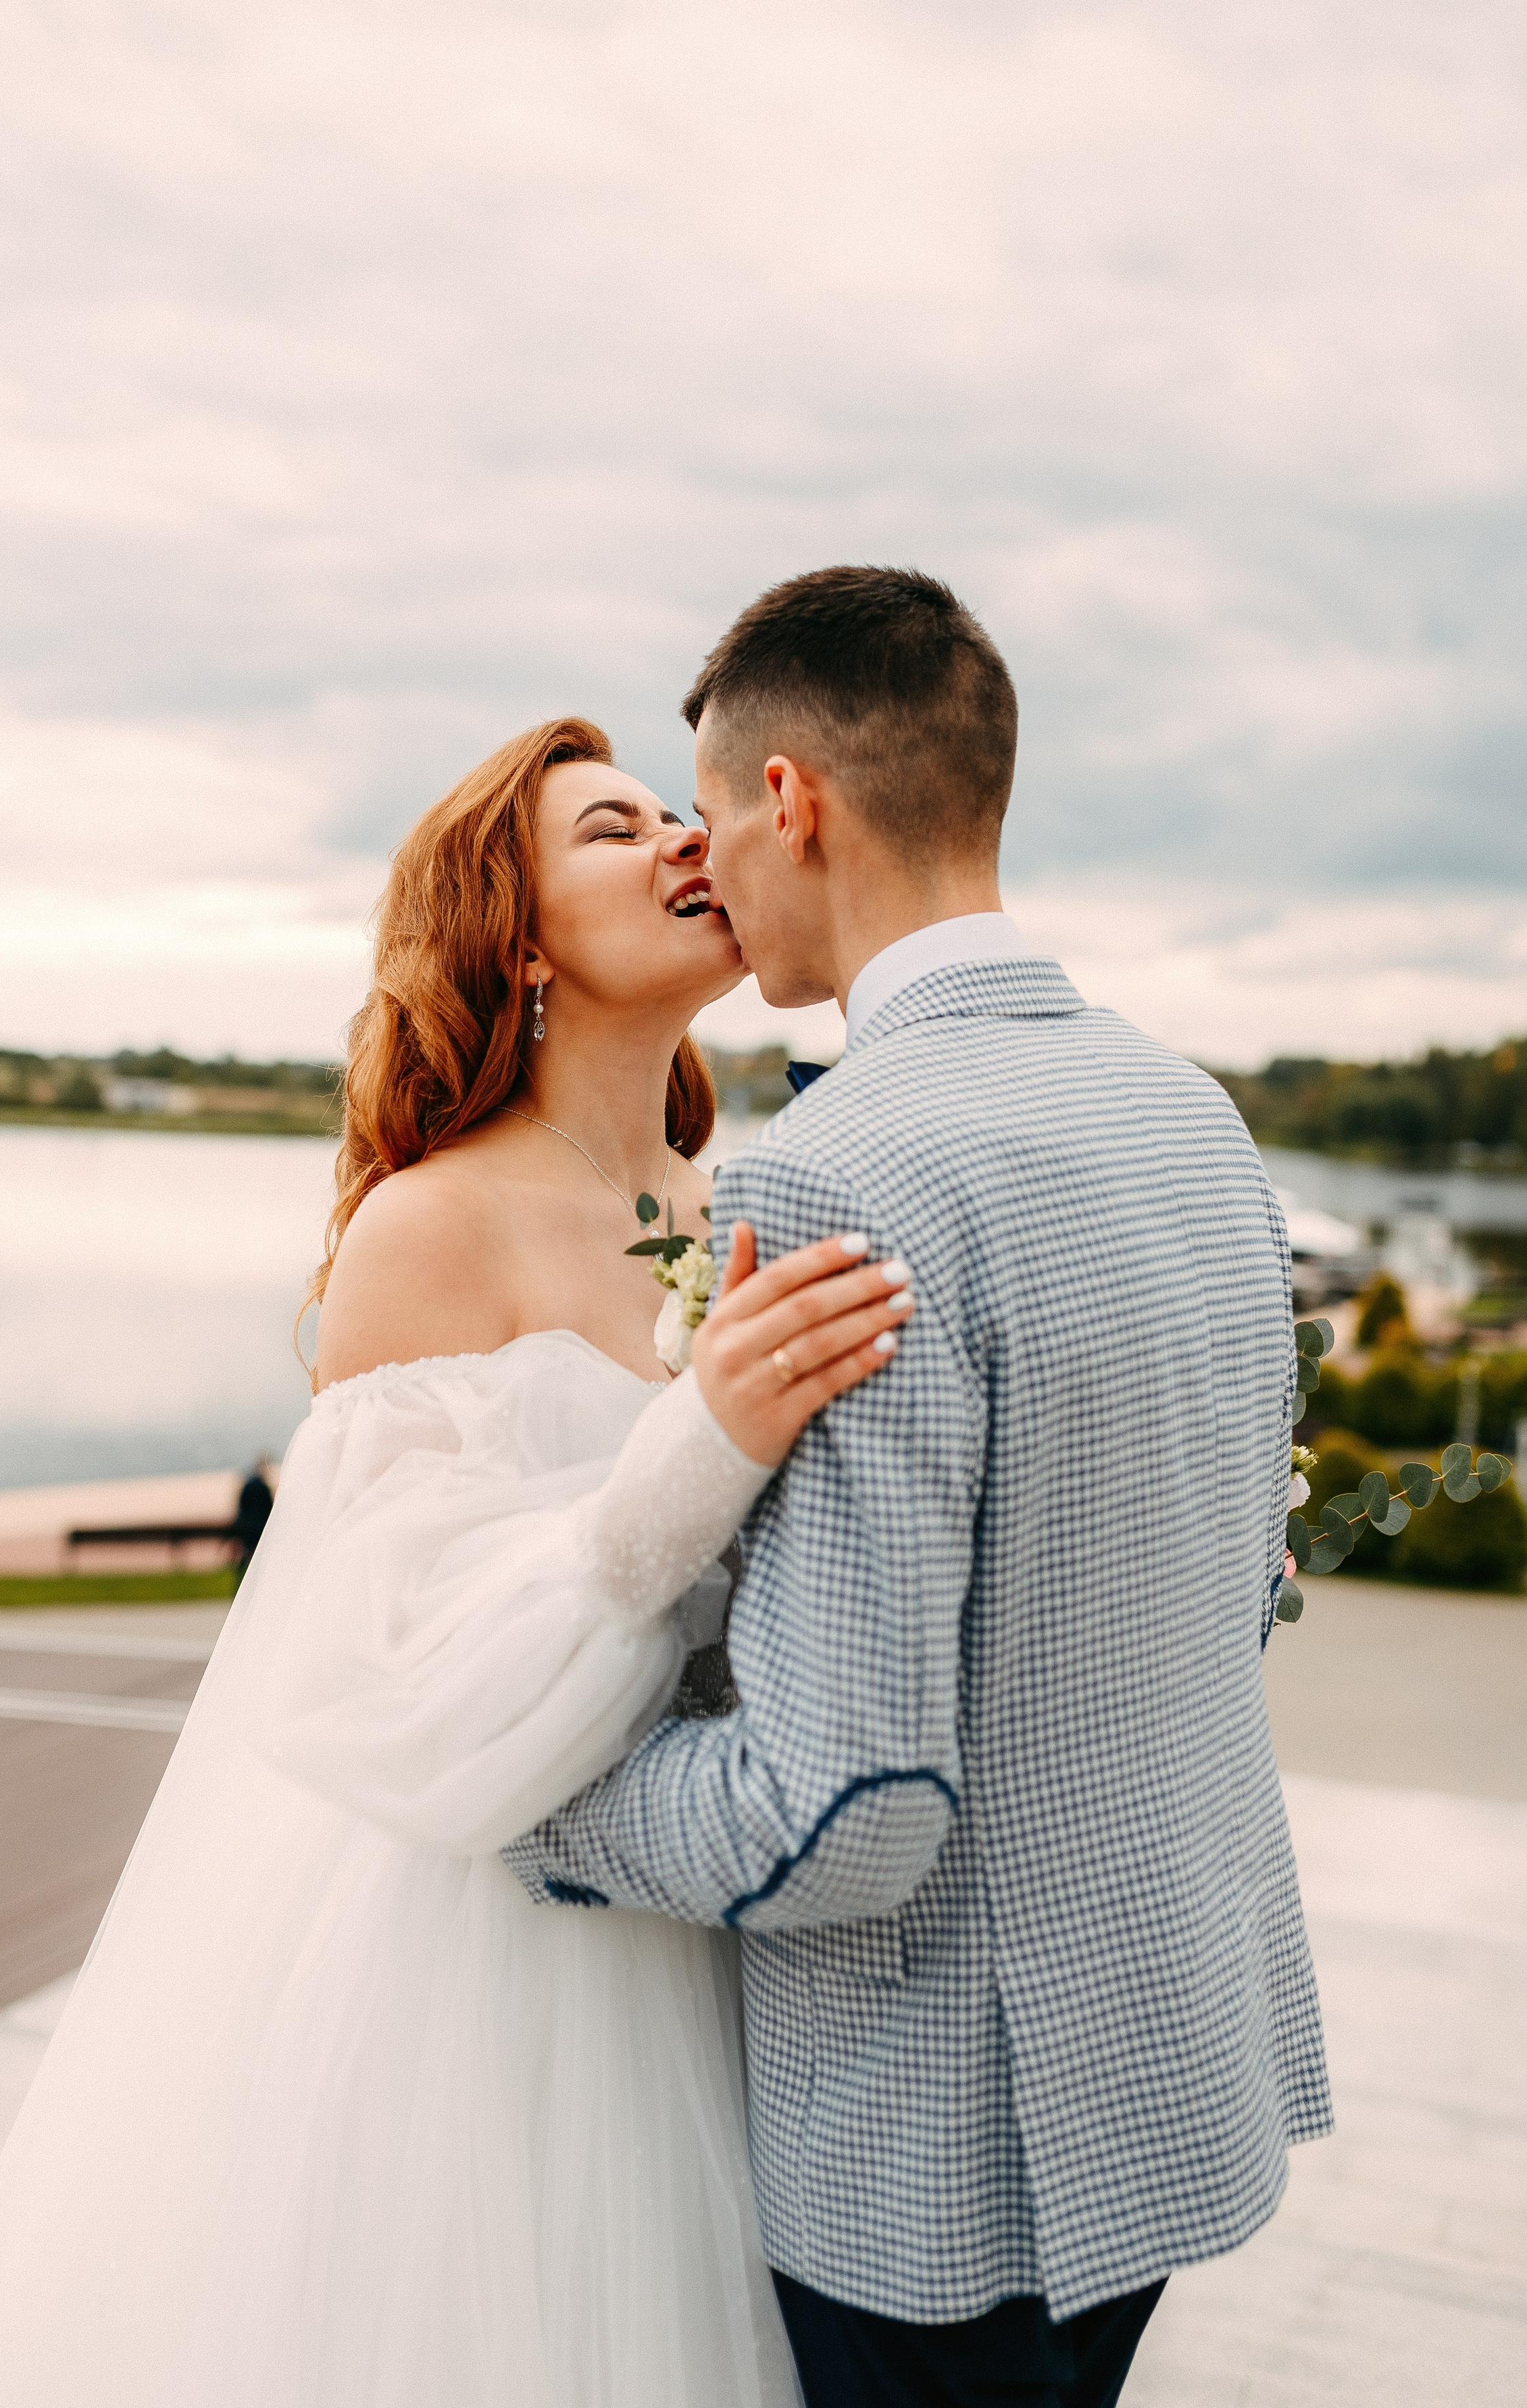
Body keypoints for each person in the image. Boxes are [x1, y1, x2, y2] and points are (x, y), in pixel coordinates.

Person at [0, 714, 911, 2408]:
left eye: (679, 814)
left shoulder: (751, 1201)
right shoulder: (429, 1225)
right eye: (610, 830)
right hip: (473, 1948)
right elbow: (387, 1658)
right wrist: (703, 1435)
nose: (681, 845)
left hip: (704, 1908)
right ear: (513, 936)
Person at [505, 566, 1333, 2408]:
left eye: (711, 815)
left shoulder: (841, 1173)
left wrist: (529, 1801)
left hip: (946, 2143)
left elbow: (849, 1807)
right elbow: (1207, 1588)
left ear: (791, 799)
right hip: (1166, 2063)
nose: (702, 864)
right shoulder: (1191, 1114)